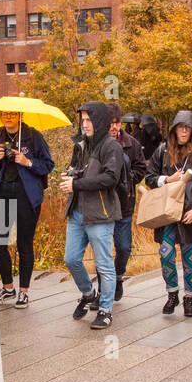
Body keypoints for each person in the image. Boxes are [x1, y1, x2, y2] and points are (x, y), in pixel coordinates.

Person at [60, 101, 124, 330]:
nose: (84, 124)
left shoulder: (111, 146)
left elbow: (110, 179)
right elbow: (78, 170)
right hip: (77, 211)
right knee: (71, 259)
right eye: (82, 120)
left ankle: (106, 310)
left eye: (88, 120)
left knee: (105, 265)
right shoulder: (80, 144)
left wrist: (76, 183)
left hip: (101, 213)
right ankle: (88, 294)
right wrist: (70, 174)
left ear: (98, 121)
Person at [144, 110, 192, 317]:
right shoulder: (162, 152)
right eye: (180, 127)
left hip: (189, 212)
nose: (184, 131)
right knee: (165, 253)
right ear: (174, 129)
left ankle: (189, 298)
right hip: (166, 212)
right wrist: (167, 179)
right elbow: (150, 178)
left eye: (188, 128)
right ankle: (172, 292)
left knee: (189, 258)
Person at [0, 110, 54, 310]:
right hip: (4, 193)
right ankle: (8, 287)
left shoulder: (33, 136)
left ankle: (24, 291)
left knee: (25, 243)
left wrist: (27, 162)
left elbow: (48, 164)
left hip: (27, 195)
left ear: (19, 116)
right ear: (0, 116)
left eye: (12, 114)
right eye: (5, 114)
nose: (8, 117)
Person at [103, 103, 149, 304]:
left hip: (124, 202)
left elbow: (141, 168)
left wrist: (127, 177)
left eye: (117, 123)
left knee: (123, 247)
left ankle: (118, 275)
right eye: (110, 123)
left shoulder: (132, 144)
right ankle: (105, 287)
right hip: (103, 204)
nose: (114, 127)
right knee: (102, 248)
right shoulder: (99, 143)